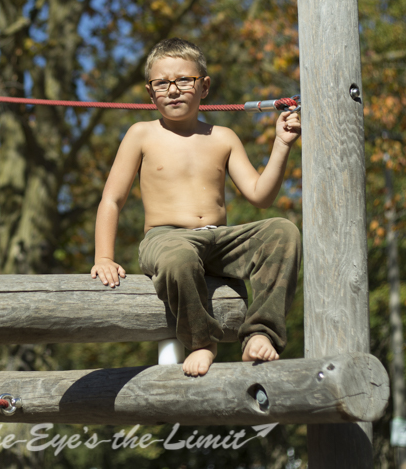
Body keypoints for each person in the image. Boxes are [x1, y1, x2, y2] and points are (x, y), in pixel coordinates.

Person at [91, 38, 301, 376]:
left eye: (183, 80)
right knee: (180, 257)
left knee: (282, 231)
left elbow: (260, 196)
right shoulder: (141, 134)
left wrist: (281, 144)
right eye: (162, 83)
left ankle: (261, 331)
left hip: (219, 240)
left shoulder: (223, 137)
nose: (173, 90)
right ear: (150, 92)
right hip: (167, 239)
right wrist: (103, 256)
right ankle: (202, 341)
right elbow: (112, 199)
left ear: (203, 86)